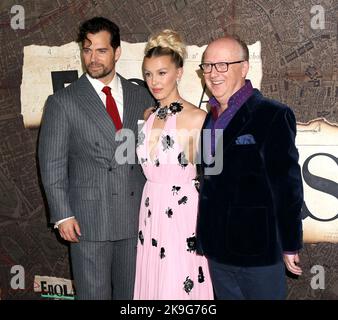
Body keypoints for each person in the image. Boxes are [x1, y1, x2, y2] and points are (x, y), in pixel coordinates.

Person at [38, 17, 154, 300]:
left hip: (134, 215)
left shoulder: (142, 96)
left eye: (101, 50)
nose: (93, 58)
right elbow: (52, 163)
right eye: (87, 50)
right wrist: (63, 214)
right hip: (88, 219)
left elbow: (143, 155)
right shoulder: (62, 102)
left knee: (131, 296)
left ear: (117, 52)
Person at [196, 35, 304, 300]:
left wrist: (290, 244)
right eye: (207, 66)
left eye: (222, 65)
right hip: (217, 250)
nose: (213, 73)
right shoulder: (210, 118)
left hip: (257, 250)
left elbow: (287, 185)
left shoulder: (272, 115)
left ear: (244, 68)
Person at [133, 29, 214, 299]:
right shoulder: (147, 116)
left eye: (162, 72)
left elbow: (219, 175)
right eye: (148, 74)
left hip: (183, 215)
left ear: (179, 72)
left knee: (178, 283)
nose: (154, 82)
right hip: (150, 210)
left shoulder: (200, 118)